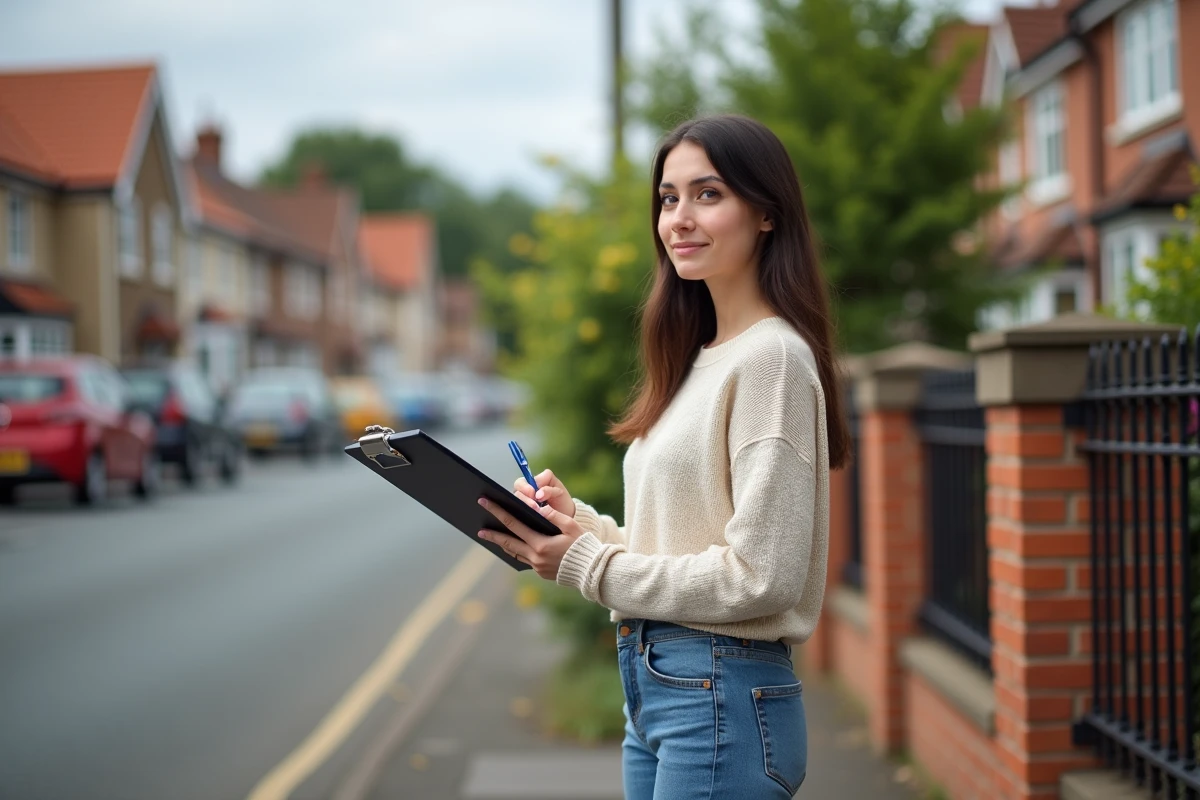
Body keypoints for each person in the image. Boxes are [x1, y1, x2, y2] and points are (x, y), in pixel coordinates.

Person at [476, 114, 850, 799]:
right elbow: (676, 545)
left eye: (708, 194)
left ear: (766, 213)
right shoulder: (697, 360)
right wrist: (578, 527)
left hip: (718, 691)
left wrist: (588, 566)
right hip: (657, 688)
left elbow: (760, 577)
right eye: (669, 198)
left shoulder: (772, 359)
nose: (679, 217)